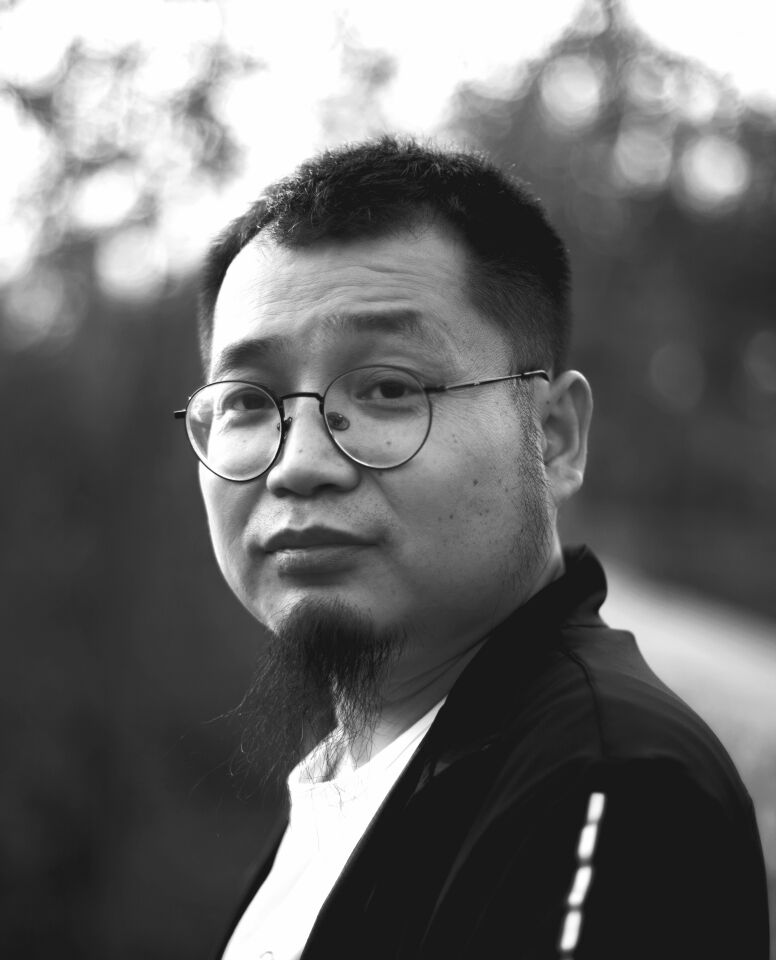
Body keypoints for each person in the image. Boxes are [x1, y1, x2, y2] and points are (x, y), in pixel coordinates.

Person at [175, 137, 770, 959]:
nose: (299, 463)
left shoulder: (608, 789)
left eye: (389, 387)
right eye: (247, 402)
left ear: (553, 437)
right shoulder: (347, 793)